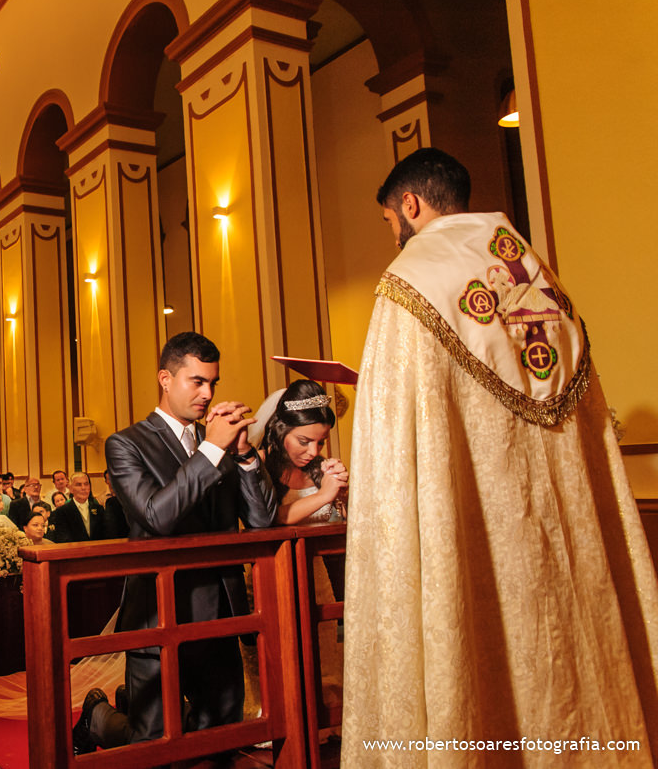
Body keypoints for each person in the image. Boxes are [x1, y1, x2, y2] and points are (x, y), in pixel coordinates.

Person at [343, 148, 658, 765]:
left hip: (473, 537)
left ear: (409, 205)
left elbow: (394, 446)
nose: (393, 234)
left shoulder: (410, 284)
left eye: (388, 221)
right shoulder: (541, 281)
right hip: (569, 546)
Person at [75, 331, 277, 752]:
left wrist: (242, 455)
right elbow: (156, 517)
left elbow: (260, 521)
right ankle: (97, 717)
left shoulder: (219, 444)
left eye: (213, 383)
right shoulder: (126, 443)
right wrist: (210, 450)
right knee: (154, 742)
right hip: (159, 610)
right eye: (197, 381)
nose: (207, 393)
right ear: (165, 379)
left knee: (220, 734)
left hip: (221, 610)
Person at [251, 380, 349, 524]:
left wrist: (343, 496)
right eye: (303, 441)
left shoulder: (319, 465)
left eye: (321, 442)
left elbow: (344, 521)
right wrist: (324, 495)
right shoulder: (260, 462)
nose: (314, 452)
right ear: (281, 431)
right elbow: (267, 518)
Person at [50, 473, 115, 542]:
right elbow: (62, 538)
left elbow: (106, 534)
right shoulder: (62, 511)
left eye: (86, 484)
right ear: (71, 489)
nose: (83, 488)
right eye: (78, 485)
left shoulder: (99, 509)